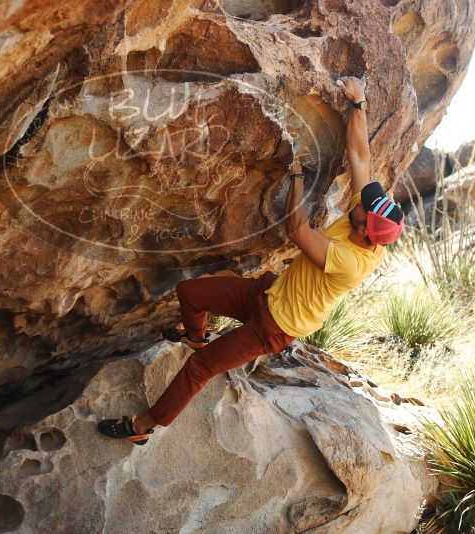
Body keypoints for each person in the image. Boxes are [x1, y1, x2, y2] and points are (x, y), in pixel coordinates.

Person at [97, 76, 405, 445]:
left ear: (367, 232)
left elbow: (299, 229)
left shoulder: (352, 261)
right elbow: (360, 156)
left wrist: (296, 180)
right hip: (268, 291)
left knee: (201, 367)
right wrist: (359, 103)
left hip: (274, 327)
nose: (359, 203)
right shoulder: (368, 219)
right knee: (190, 293)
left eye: (363, 210)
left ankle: (144, 426)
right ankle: (195, 336)